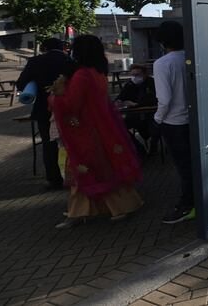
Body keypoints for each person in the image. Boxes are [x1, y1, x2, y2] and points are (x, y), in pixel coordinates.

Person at [49, 35, 143, 229]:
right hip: (102, 129)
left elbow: (71, 105)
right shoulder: (98, 73)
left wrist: (55, 96)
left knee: (84, 170)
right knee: (104, 169)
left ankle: (80, 213)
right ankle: (121, 205)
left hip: (86, 133)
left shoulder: (81, 75)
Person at [16, 38, 74, 191]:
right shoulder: (69, 60)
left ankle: (54, 179)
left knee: (49, 144)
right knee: (73, 141)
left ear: (44, 48)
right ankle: (76, 174)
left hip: (44, 109)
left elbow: (21, 84)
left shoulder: (35, 61)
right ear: (63, 47)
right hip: (70, 108)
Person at [154, 21, 195, 225]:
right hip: (193, 121)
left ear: (162, 42)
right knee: (193, 164)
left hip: (173, 123)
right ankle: (196, 202)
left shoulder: (162, 64)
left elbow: (164, 99)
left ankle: (187, 204)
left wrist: (157, 119)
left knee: (183, 167)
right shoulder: (191, 57)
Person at [115, 64, 157, 154]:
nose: (135, 77)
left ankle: (153, 148)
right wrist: (120, 102)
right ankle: (138, 149)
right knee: (119, 127)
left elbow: (155, 99)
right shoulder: (129, 84)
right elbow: (120, 98)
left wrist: (136, 104)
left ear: (145, 74)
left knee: (156, 129)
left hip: (151, 115)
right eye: (133, 75)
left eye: (138, 75)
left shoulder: (152, 83)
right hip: (134, 115)